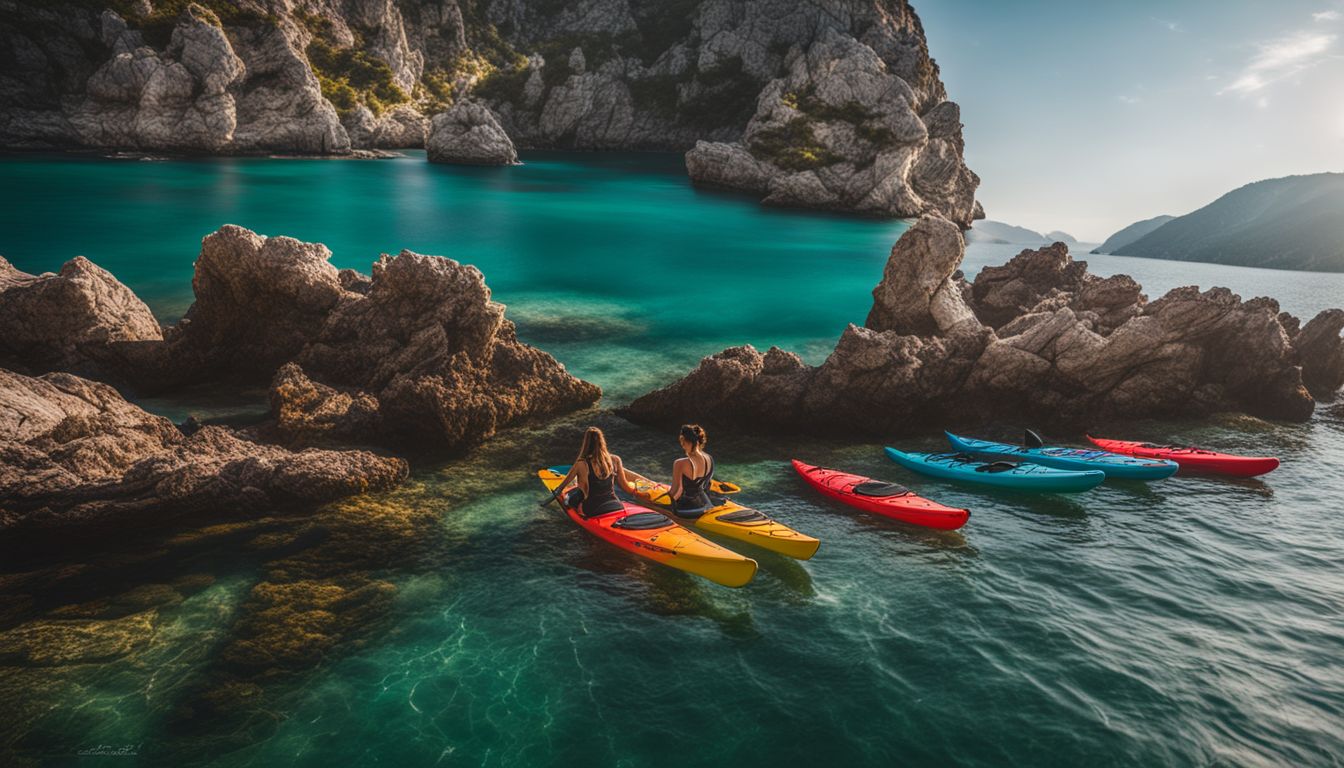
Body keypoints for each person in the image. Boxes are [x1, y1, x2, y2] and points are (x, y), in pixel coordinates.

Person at [556, 427, 639, 517]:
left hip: (592, 509)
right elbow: (625, 486)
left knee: (570, 500)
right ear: (602, 442)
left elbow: (562, 487)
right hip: (615, 505)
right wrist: (639, 492)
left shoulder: (581, 464)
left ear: (586, 443)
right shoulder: (615, 460)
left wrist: (559, 492)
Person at [666, 424, 715, 518]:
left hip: (688, 509)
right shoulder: (709, 458)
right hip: (705, 503)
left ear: (692, 442)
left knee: (658, 505)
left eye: (684, 442)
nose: (682, 445)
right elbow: (706, 484)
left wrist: (659, 501)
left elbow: (675, 491)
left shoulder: (680, 463)